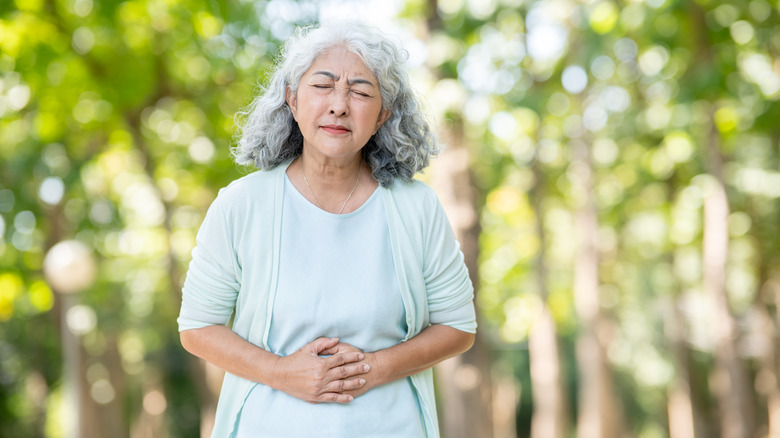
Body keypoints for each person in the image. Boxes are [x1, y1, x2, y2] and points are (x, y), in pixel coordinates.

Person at [178, 22, 477, 438]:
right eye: (323, 86)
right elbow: (197, 328)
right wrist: (281, 372)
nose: (339, 104)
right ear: (293, 99)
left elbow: (458, 326)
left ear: (383, 115)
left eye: (360, 91)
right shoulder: (241, 203)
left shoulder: (417, 207)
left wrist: (376, 368)